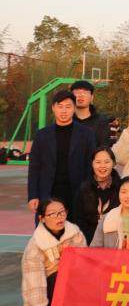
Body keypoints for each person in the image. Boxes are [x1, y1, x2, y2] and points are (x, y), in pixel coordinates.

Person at [21, 198, 86, 306]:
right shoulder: (34, 249)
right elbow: (34, 290)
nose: (59, 217)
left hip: (75, 287)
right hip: (51, 291)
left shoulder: (75, 233)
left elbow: (85, 268)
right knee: (58, 276)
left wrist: (69, 258)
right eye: (52, 214)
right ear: (42, 218)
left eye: (62, 212)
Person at [27, 90, 97, 220]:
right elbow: (34, 167)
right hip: (48, 193)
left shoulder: (87, 134)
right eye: (60, 106)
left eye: (68, 106)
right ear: (53, 108)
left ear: (74, 108)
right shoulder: (41, 135)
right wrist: (33, 196)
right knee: (47, 231)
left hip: (76, 194)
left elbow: (91, 165)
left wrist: (89, 193)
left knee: (76, 231)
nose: (64, 111)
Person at [74, 147, 121, 243]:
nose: (102, 166)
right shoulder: (84, 188)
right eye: (98, 162)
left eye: (107, 162)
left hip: (115, 241)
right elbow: (78, 219)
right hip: (89, 240)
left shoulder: (121, 187)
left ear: (114, 163)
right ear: (92, 164)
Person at [70, 80, 110, 147]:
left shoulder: (101, 122)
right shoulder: (65, 120)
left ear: (91, 97)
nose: (80, 95)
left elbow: (104, 147)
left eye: (85, 93)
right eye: (77, 92)